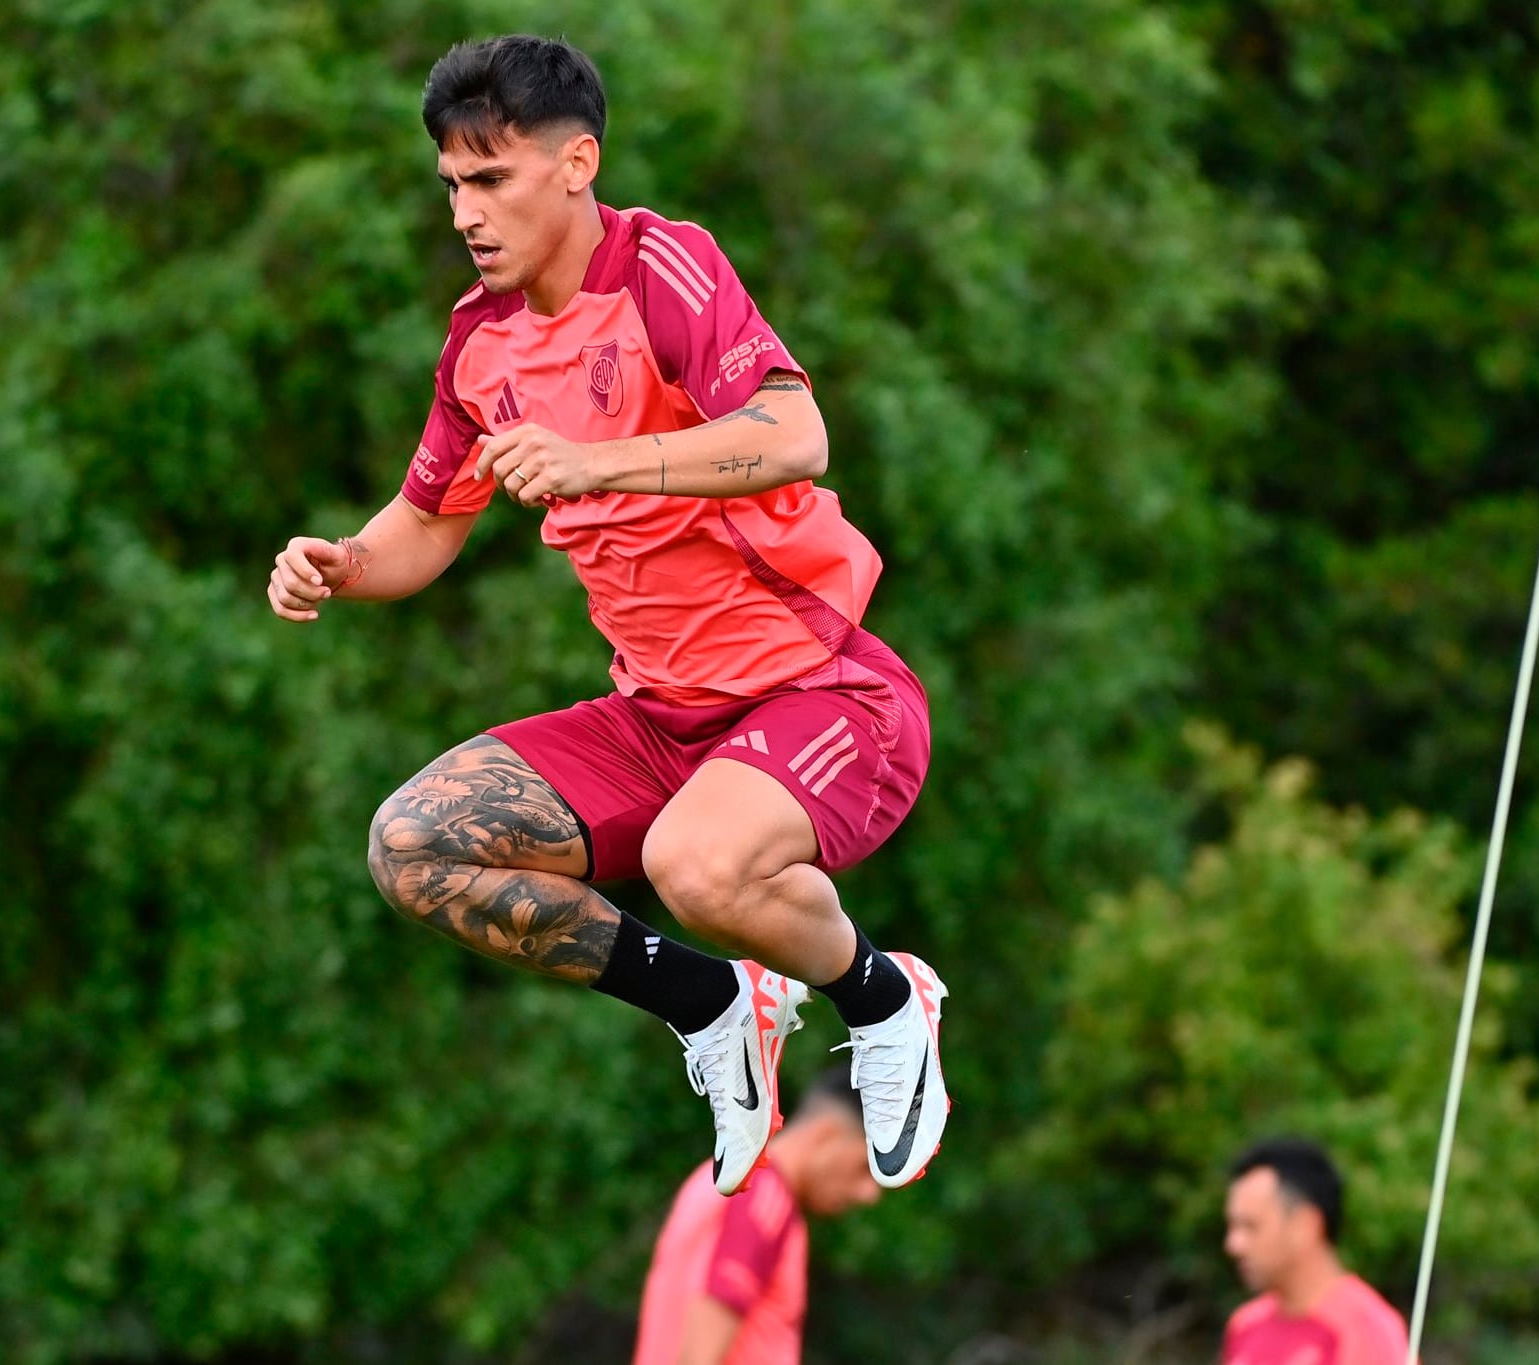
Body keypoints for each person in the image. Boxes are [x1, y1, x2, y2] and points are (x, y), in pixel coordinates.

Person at [266, 33, 948, 1196]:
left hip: (821, 691)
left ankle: (885, 1002)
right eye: (451, 185)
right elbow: (425, 524)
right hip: (658, 722)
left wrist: (601, 463)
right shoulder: (480, 340)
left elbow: (796, 435)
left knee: (695, 864)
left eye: (491, 179)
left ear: (576, 163)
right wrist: (342, 563)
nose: (465, 214)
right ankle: (712, 1004)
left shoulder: (660, 269)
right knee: (414, 846)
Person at [633, 1066, 883, 1365]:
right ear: (826, 1135)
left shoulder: (735, 1181)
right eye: (863, 1167)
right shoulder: (761, 1197)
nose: (869, 1194)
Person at [1222, 1137, 1410, 1365]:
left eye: (1251, 1227)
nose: (1234, 1244)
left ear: (1306, 1225)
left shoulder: (1367, 1332)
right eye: (1233, 1226)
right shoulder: (1245, 1325)